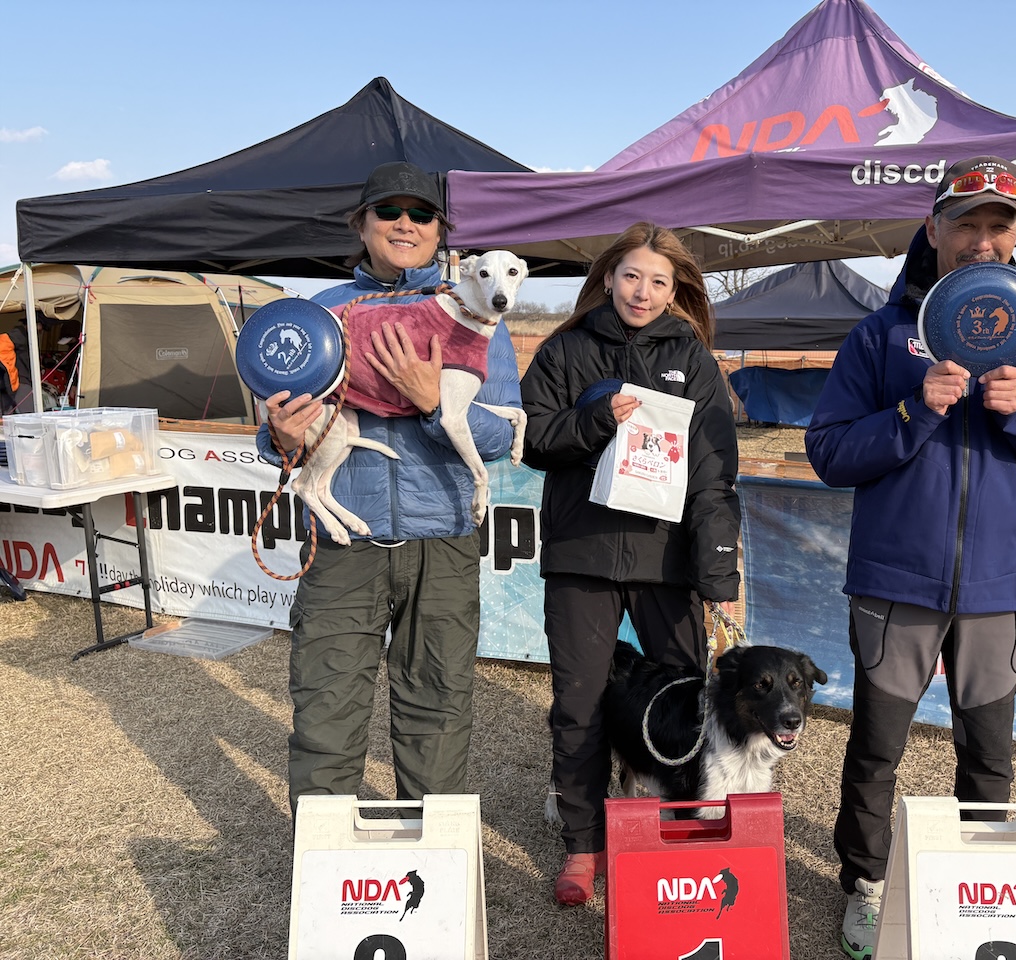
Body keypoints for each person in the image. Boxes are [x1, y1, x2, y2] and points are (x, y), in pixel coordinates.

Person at [804, 157, 1016, 959]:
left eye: (998, 225)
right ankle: (864, 885)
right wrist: (913, 412)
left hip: (998, 586)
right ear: (934, 227)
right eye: (966, 222)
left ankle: (980, 895)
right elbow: (829, 451)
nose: (982, 240)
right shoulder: (880, 334)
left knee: (989, 755)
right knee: (876, 749)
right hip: (895, 581)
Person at [256, 161, 522, 813]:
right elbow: (273, 438)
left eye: (422, 214)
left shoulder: (478, 316)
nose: (406, 224)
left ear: (440, 231)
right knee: (326, 709)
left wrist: (432, 403)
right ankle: (323, 863)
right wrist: (283, 437)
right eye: (389, 211)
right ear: (362, 224)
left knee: (439, 711)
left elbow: (499, 436)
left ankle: (428, 864)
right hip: (343, 546)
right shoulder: (320, 315)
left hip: (443, 544)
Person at [519, 222, 741, 905]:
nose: (642, 292)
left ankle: (677, 833)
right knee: (578, 705)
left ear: (676, 292)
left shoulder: (693, 359)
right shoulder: (565, 348)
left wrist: (717, 573)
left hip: (666, 560)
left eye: (658, 281)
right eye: (631, 276)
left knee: (682, 705)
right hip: (581, 555)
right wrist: (595, 422)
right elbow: (534, 438)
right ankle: (582, 847)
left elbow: (713, 474)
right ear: (608, 277)